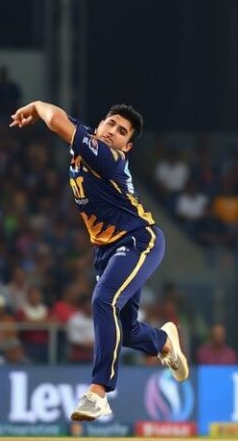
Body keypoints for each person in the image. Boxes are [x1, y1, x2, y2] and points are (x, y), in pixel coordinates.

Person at [10, 100, 189, 421]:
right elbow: (62, 118)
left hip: (138, 239)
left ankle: (98, 393)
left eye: (122, 132)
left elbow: (56, 122)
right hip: (106, 250)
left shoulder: (108, 156)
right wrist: (40, 111)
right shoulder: (90, 140)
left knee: (103, 301)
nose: (113, 132)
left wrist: (36, 106)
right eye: (111, 124)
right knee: (128, 330)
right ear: (99, 126)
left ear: (127, 146)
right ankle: (163, 341)